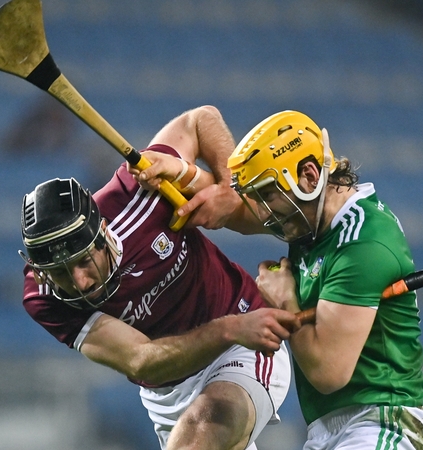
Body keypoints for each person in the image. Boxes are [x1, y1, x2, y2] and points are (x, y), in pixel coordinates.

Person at [19, 105, 301, 450]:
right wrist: (229, 328)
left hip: (243, 340)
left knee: (200, 432)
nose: (80, 283)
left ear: (102, 233)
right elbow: (143, 360)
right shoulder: (42, 296)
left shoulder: (139, 193)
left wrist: (228, 186)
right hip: (168, 389)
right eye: (60, 273)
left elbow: (200, 120)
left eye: (82, 262)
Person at [221, 110, 423, 449]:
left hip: (384, 424)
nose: (262, 213)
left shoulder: (363, 241)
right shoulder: (312, 222)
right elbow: (229, 209)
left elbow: (328, 372)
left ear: (308, 175)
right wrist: (185, 176)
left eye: (267, 194)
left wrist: (287, 303)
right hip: (327, 432)